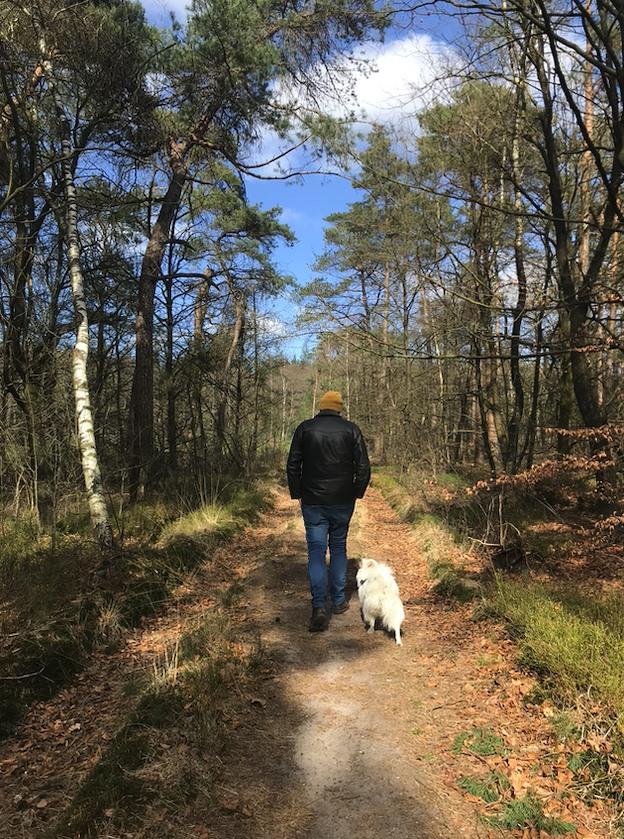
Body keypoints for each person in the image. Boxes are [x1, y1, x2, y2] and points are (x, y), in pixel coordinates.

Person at [286, 390, 371, 632]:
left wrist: (297, 493)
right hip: (343, 500)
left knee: (315, 551)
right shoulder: (351, 430)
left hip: (313, 500)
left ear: (321, 407)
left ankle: (319, 607)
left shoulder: (305, 428)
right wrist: (357, 491)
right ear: (339, 408)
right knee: (338, 547)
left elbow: (293, 464)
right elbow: (363, 466)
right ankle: (338, 600)